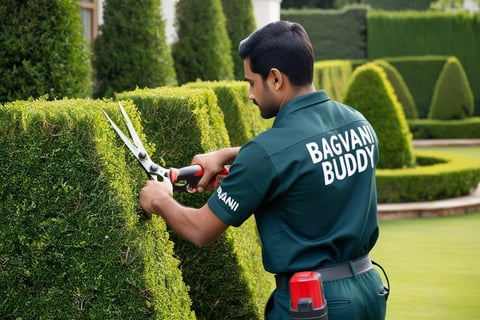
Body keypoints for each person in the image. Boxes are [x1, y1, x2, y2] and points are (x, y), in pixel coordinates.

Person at [139, 20, 388, 320]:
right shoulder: (358, 124)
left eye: (251, 82)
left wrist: (159, 198)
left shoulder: (266, 154)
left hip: (313, 305)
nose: (249, 95)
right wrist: (230, 155)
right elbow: (307, 152)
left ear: (275, 79)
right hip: (369, 291)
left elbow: (199, 230)